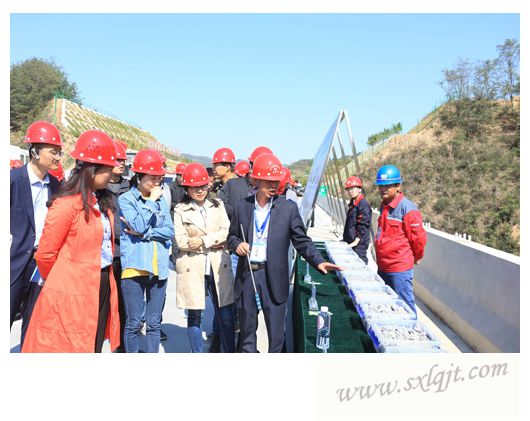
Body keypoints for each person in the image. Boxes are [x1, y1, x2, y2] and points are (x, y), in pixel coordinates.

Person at [227, 153, 342, 352]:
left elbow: (301, 240)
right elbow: (231, 237)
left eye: (276, 181)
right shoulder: (242, 207)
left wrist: (318, 261)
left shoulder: (288, 209)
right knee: (246, 335)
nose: (274, 185)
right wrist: (237, 244)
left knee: (277, 337)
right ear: (257, 180)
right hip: (248, 276)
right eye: (269, 181)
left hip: (274, 278)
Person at [22, 129, 121, 352]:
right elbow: (46, 254)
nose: (111, 174)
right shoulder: (66, 205)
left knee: (94, 342)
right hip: (71, 288)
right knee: (70, 344)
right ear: (91, 169)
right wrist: (65, 278)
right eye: (107, 169)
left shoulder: (103, 202)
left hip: (102, 282)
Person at [10, 120, 63, 348]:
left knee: (33, 324)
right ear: (34, 151)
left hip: (41, 264)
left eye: (59, 152)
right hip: (13, 262)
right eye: (53, 152)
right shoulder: (12, 180)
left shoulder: (56, 186)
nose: (58, 157)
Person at [174, 163, 236, 353]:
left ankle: (229, 352)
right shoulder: (180, 209)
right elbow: (181, 241)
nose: (200, 191)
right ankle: (197, 354)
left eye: (202, 186)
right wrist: (213, 241)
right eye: (194, 187)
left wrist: (201, 240)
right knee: (194, 314)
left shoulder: (218, 205)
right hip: (192, 266)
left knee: (225, 313)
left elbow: (225, 232)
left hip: (217, 264)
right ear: (187, 188)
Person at [118, 149, 174, 352]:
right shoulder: (126, 199)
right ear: (139, 176)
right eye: (153, 178)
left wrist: (145, 234)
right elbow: (138, 224)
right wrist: (150, 202)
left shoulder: (162, 200)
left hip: (159, 267)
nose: (157, 182)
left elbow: (169, 231)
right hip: (135, 266)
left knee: (154, 324)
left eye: (160, 178)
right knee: (134, 323)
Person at [374, 165, 427, 318]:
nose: (383, 189)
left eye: (387, 186)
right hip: (383, 266)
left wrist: (416, 257)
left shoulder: (408, 209)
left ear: (398, 186)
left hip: (399, 269)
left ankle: (414, 331)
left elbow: (418, 239)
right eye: (381, 186)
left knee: (405, 308)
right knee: (387, 307)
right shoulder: (384, 206)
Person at [106, 139, 131, 352]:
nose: (121, 163)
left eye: (123, 159)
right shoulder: (99, 187)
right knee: (103, 302)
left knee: (124, 304)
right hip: (105, 254)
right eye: (117, 159)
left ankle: (120, 346)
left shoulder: (130, 187)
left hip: (126, 254)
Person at [342, 176, 372, 265]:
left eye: (352, 188)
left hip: (358, 244)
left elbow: (363, 224)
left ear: (359, 189)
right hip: (350, 241)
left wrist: (356, 241)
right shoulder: (353, 203)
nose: (350, 191)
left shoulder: (363, 204)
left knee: (359, 263)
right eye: (348, 189)